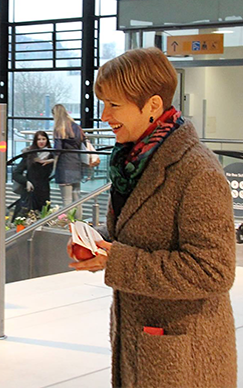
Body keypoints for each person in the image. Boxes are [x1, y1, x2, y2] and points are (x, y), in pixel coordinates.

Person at [70, 47, 236, 387]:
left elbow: (214, 271)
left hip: (184, 355)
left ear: (154, 106)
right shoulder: (134, 162)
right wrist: (100, 243)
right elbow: (138, 233)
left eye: (114, 105)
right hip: (142, 341)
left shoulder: (197, 171)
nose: (104, 115)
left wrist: (116, 261)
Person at [51, 103, 84, 216]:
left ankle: (69, 225)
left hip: (64, 165)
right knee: (77, 197)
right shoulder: (76, 126)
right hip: (76, 163)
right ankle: (79, 222)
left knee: (67, 199)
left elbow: (57, 149)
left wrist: (50, 156)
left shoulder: (59, 128)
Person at [12, 130, 54, 219]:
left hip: (43, 191)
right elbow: (16, 173)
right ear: (35, 141)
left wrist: (52, 161)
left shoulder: (52, 155)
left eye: (43, 139)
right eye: (39, 139)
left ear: (47, 140)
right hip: (30, 191)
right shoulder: (29, 154)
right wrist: (26, 181)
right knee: (28, 216)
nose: (41, 141)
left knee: (42, 217)